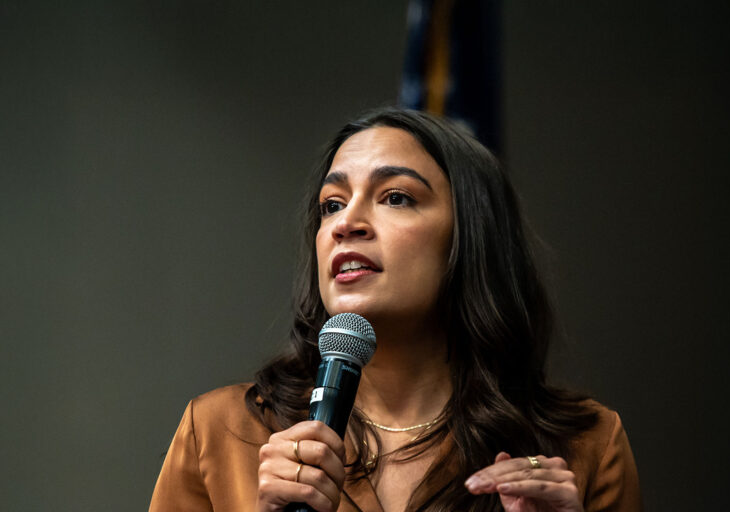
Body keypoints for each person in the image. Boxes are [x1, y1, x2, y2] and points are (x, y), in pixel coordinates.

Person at [149, 108, 641, 512]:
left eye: (396, 197)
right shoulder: (219, 434)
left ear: (469, 238)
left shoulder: (586, 447)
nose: (347, 224)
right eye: (331, 204)